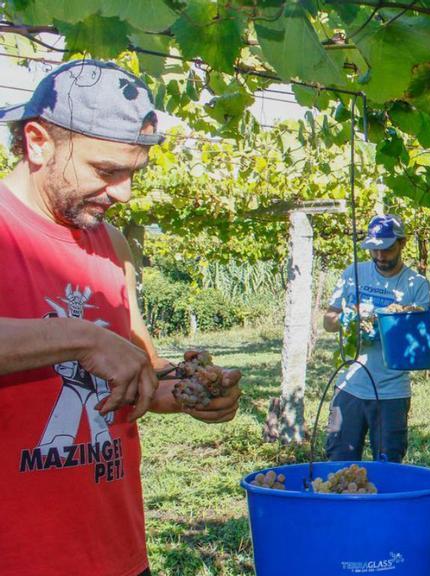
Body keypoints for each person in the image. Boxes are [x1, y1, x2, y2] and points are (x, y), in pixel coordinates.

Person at [0, 59, 242, 576]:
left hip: (116, 552)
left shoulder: (107, 242)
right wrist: (78, 338)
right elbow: (93, 345)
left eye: (133, 173)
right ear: (38, 142)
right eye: (107, 171)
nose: (124, 192)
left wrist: (195, 388)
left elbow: (142, 379)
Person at [322, 214, 430, 463]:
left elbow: (417, 342)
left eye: (387, 249)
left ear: (402, 244)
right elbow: (328, 321)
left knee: (389, 464)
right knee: (338, 459)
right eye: (374, 250)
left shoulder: (416, 285)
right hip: (349, 386)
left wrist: (389, 324)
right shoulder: (353, 274)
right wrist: (348, 318)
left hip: (391, 391)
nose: (380, 256)